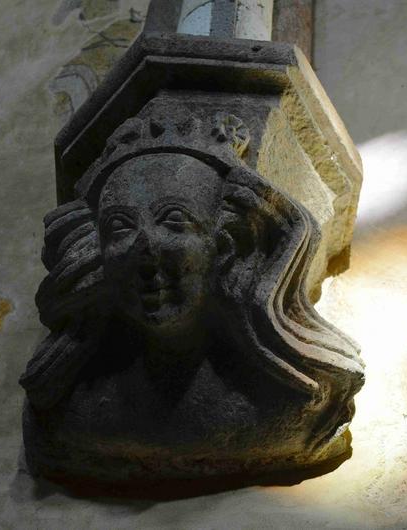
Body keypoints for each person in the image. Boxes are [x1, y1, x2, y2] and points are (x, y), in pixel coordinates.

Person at [20, 103, 364, 489]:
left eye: (173, 221)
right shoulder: (72, 410)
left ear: (227, 243)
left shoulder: (302, 406)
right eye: (119, 227)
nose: (144, 249)